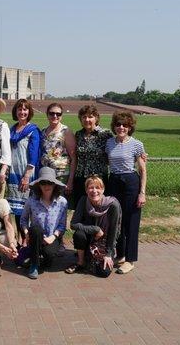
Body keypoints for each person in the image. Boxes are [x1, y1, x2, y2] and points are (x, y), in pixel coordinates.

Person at [106, 110, 147, 274]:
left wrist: (142, 193)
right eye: (118, 124)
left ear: (130, 127)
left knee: (131, 221)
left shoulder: (137, 144)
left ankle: (130, 259)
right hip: (114, 181)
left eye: (125, 125)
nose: (121, 127)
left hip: (130, 181)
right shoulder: (109, 143)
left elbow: (143, 170)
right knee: (117, 220)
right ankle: (121, 254)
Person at [66, 176, 121, 278]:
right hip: (89, 238)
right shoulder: (83, 201)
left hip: (106, 241)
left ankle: (90, 259)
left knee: (104, 272)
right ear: (86, 190)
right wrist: (95, 229)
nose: (94, 191)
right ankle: (81, 262)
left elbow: (114, 230)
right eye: (91, 188)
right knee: (79, 234)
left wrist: (109, 254)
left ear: (103, 189)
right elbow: (73, 224)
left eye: (98, 187)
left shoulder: (113, 205)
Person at [21, 167, 67, 279]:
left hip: (52, 237)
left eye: (50, 182)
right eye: (43, 183)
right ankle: (34, 264)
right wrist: (27, 232)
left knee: (49, 254)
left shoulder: (62, 202)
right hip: (35, 236)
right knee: (36, 229)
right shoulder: (31, 201)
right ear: (38, 185)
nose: (46, 186)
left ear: (54, 184)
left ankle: (40, 257)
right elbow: (23, 219)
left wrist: (53, 237)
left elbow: (62, 225)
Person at [7, 99, 41, 240]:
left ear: (29, 112)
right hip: (13, 175)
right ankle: (21, 242)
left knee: (28, 210)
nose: (22, 112)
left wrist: (27, 176)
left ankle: (30, 241)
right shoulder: (11, 130)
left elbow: (33, 156)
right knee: (17, 211)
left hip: (26, 175)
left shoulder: (32, 130)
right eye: (19, 109)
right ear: (15, 111)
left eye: (25, 109)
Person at [73, 105, 112, 205]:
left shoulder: (105, 134)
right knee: (81, 208)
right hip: (81, 178)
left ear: (96, 118)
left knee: (98, 207)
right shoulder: (78, 135)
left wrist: (139, 154)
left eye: (90, 117)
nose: (87, 120)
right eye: (84, 117)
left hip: (98, 179)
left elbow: (118, 148)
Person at [40, 103, 76, 201]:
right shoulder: (43, 131)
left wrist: (70, 181)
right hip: (46, 176)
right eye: (52, 113)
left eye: (58, 114)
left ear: (61, 116)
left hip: (61, 176)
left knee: (59, 205)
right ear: (47, 114)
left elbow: (73, 158)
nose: (55, 116)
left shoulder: (66, 131)